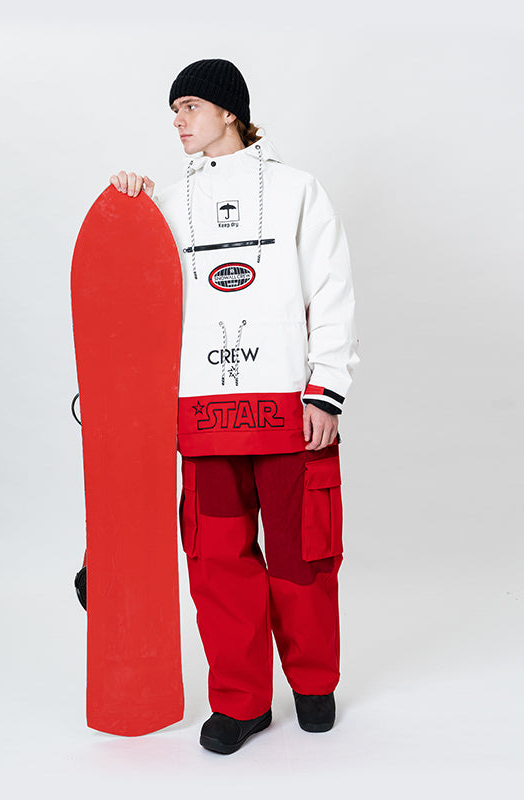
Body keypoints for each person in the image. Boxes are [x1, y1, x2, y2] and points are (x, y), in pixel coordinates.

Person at [109, 58, 359, 754]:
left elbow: (332, 293)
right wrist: (128, 210)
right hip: (203, 418)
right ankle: (242, 703)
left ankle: (313, 686)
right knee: (219, 568)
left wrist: (326, 392)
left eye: (190, 106)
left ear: (229, 112)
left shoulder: (298, 190)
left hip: (289, 411)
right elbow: (137, 301)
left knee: (302, 561)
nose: (178, 122)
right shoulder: (167, 204)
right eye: (174, 111)